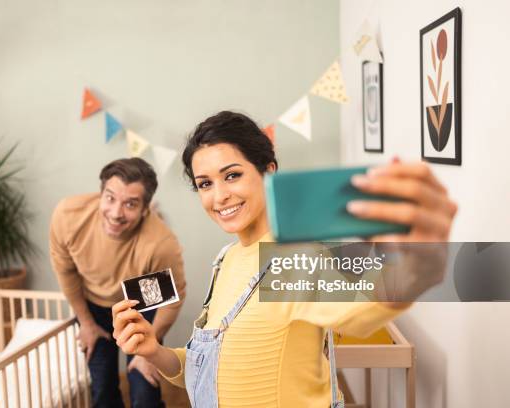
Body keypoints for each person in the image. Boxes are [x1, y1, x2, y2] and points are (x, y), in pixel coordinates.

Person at [112, 111, 457, 407]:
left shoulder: (292, 257)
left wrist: (415, 265)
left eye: (232, 175)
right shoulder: (227, 259)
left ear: (269, 171)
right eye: (205, 183)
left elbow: (368, 303)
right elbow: (208, 370)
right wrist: (152, 350)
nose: (219, 196)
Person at [50, 158, 186, 408]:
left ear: (146, 209)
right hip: (95, 306)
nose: (116, 213)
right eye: (110, 198)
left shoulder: (159, 243)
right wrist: (87, 324)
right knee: (102, 388)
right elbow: (66, 272)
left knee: (145, 389)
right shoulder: (68, 217)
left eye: (130, 204)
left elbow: (171, 301)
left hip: (139, 304)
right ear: (100, 194)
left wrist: (151, 348)